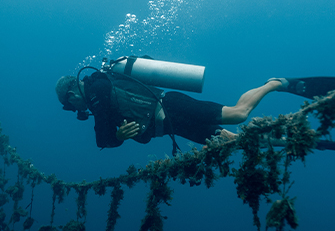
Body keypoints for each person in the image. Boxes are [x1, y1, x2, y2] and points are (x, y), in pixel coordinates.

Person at [55, 69, 335, 150]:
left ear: (72, 94)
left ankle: (274, 83)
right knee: (235, 141)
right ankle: (312, 143)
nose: (78, 110)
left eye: (71, 106)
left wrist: (116, 137)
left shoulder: (95, 90)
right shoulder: (98, 97)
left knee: (238, 114)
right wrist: (119, 136)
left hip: (171, 106)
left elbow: (101, 139)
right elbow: (106, 138)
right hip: (171, 127)